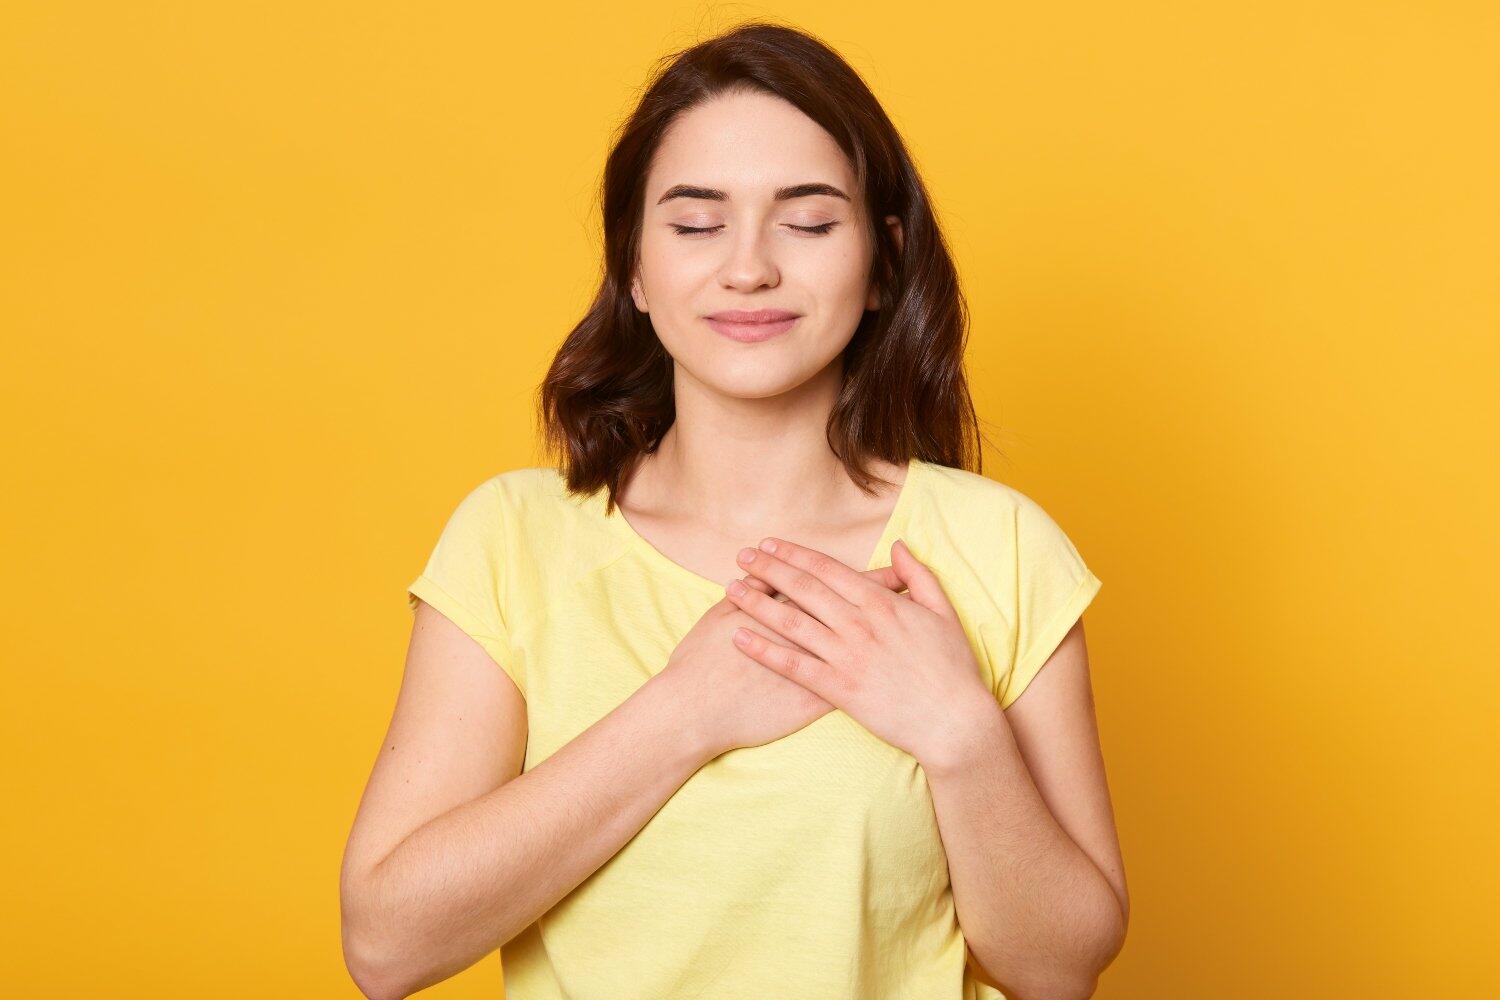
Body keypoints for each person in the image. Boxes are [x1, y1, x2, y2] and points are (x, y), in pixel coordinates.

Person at [340, 20, 1127, 1000]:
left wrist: (959, 732)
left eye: (807, 222)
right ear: (634, 263)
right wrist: (685, 712)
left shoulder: (997, 548)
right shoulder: (513, 541)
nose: (748, 267)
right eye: (696, 223)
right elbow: (385, 945)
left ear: (882, 262)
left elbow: (1061, 971)